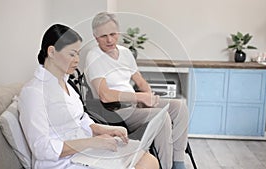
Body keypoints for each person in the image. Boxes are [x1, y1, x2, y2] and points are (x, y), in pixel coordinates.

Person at [18, 24, 159, 169]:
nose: (77, 60)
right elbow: (41, 148)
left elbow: (81, 119)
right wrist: (93, 142)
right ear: (52, 52)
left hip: (83, 154)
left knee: (147, 159)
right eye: (72, 54)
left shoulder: (67, 84)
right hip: (60, 163)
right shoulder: (34, 93)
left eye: (78, 54)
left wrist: (106, 130)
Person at [84, 12, 189, 169]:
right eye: (103, 36)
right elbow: (105, 95)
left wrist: (149, 96)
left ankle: (178, 162)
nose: (109, 40)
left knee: (179, 106)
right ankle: (166, 166)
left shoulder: (125, 53)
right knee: (162, 117)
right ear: (95, 36)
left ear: (118, 32)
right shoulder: (94, 56)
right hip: (116, 111)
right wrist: (139, 98)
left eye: (113, 34)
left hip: (135, 104)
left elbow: (140, 81)